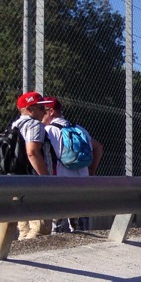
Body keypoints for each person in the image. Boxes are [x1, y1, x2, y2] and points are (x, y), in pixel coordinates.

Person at [40, 97, 104, 231]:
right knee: (80, 227)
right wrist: (91, 171)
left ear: (51, 111)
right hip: (82, 180)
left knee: (56, 226)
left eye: (42, 110)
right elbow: (98, 147)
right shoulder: (78, 128)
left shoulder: (48, 130)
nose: (40, 114)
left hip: (60, 181)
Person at [8, 91, 54, 239]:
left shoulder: (14, 125)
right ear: (30, 110)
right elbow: (32, 152)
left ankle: (22, 253)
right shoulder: (35, 124)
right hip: (34, 181)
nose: (44, 112)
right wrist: (46, 179)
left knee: (25, 229)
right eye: (41, 108)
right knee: (40, 229)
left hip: (17, 180)